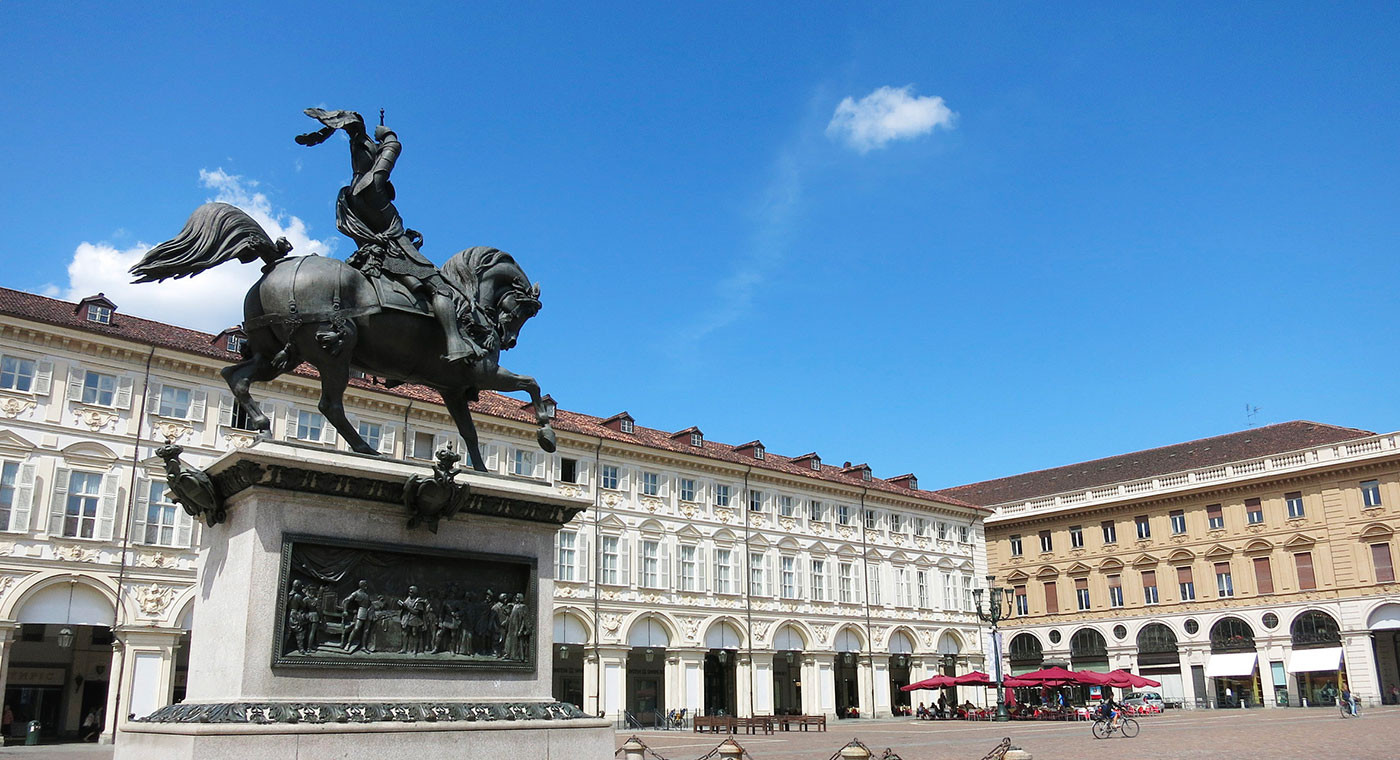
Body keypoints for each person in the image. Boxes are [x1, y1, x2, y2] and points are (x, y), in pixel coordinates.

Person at [295, 108, 483, 367]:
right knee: (440, 287)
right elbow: (391, 154)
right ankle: (455, 342)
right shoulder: (372, 189)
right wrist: (389, 136)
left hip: (376, 251)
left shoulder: (350, 196)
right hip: (394, 252)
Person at [340, 580, 372, 653]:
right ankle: (348, 644)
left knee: (366, 630)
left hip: (368, 612)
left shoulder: (366, 594)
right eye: (365, 585)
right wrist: (345, 610)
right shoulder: (356, 593)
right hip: (361, 611)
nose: (367, 586)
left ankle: (363, 646)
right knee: (356, 628)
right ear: (362, 585)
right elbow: (346, 601)